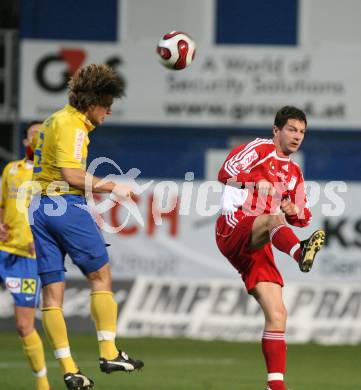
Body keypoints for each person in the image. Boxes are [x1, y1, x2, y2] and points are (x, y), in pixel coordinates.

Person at [30, 64, 144, 390]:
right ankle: (108, 353)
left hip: (38, 208)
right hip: (64, 204)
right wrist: (114, 187)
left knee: (52, 294)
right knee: (101, 276)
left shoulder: (53, 119)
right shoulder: (73, 126)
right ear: (91, 101)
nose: (109, 110)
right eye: (106, 104)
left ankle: (69, 369)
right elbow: (72, 174)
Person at [215, 106, 325, 390]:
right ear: (276, 131)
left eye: (302, 132)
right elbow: (225, 172)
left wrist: (293, 209)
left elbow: (304, 218)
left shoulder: (294, 172)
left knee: (278, 314)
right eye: (291, 129)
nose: (297, 136)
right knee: (272, 219)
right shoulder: (260, 149)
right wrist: (255, 183)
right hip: (233, 225)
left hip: (259, 242)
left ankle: (275, 386)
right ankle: (300, 253)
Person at [0, 121, 51, 390]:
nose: (38, 138)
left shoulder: (52, 175)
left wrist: (42, 241)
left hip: (26, 258)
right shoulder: (10, 170)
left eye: (43, 135)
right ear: (24, 142)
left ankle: (42, 382)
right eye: (34, 135)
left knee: (23, 325)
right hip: (2, 250)